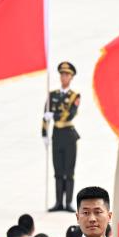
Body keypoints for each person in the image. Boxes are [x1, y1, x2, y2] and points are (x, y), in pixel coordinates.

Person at [42, 61, 81, 212]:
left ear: (71, 77)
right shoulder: (52, 95)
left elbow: (69, 114)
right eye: (62, 74)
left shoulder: (74, 96)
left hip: (69, 134)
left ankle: (68, 202)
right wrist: (44, 133)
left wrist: (54, 115)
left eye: (67, 75)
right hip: (57, 134)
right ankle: (58, 202)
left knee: (69, 171)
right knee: (58, 170)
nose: (64, 77)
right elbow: (45, 116)